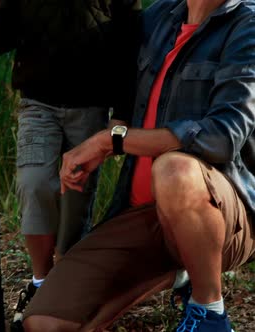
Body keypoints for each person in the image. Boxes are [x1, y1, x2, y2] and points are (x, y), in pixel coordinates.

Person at [22, 0, 255, 331]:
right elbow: (117, 73)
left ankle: (210, 311)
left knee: (173, 169)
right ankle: (176, 269)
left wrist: (109, 140)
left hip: (223, 214)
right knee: (44, 322)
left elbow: (223, 137)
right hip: (141, 216)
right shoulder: (157, 17)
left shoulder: (247, 24)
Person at [0, 1, 141, 329]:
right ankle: (40, 282)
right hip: (38, 103)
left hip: (92, 108)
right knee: (34, 183)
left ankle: (65, 288)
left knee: (76, 200)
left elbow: (130, 50)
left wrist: (122, 115)